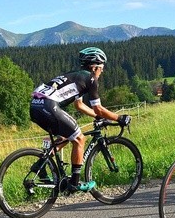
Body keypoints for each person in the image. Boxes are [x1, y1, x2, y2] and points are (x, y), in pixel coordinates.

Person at [29, 47, 131, 192]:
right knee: (79, 139)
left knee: (65, 136)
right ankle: (74, 183)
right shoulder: (90, 78)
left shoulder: (76, 76)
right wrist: (119, 118)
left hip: (35, 106)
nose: (102, 71)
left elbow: (79, 105)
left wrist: (98, 117)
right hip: (49, 106)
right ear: (94, 66)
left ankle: (39, 165)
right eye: (101, 68)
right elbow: (99, 108)